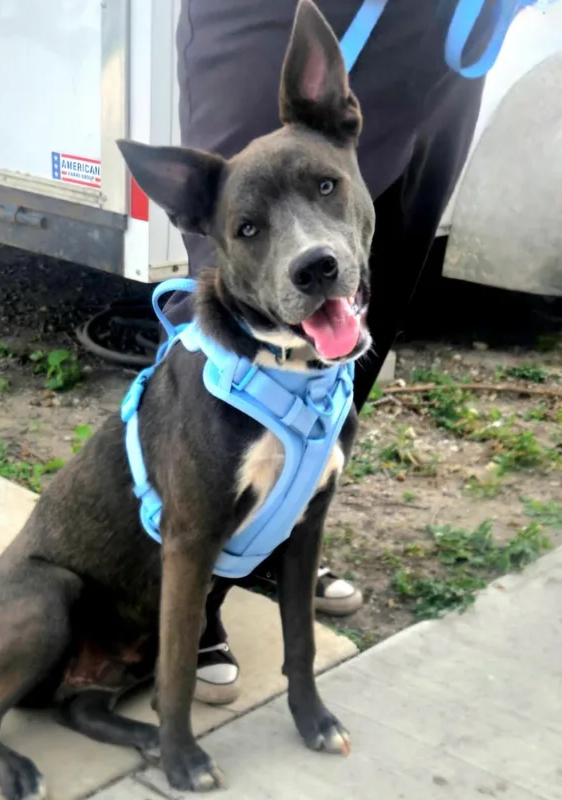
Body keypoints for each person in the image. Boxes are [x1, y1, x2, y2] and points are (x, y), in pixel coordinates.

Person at [161, 0, 504, 705]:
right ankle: (194, 582)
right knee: (237, 287)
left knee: (367, 293)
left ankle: (277, 532)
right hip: (269, 18)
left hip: (440, 35)